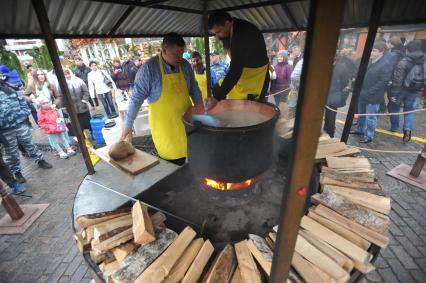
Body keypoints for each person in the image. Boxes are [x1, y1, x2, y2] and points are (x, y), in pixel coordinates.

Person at [121, 33, 202, 166]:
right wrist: (128, 125)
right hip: (166, 131)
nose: (180, 57)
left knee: (193, 163)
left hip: (187, 126)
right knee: (173, 168)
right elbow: (136, 99)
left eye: (182, 53)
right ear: (164, 49)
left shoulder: (185, 65)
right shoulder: (148, 70)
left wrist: (200, 108)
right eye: (176, 54)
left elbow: (194, 88)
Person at [206, 11, 269, 109]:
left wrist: (216, 98)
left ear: (227, 23)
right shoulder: (232, 30)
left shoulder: (242, 33)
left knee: (249, 111)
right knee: (218, 89)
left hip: (256, 78)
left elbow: (235, 70)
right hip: (244, 74)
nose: (218, 36)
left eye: (218, 32)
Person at [0, 77, 52, 184]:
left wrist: (19, 117)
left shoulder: (11, 90)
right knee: (11, 153)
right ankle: (17, 172)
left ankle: (40, 160)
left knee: (29, 144)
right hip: (5, 130)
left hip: (20, 125)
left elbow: (25, 106)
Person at [351, 41, 392, 143]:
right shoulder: (370, 61)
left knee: (370, 117)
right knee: (361, 113)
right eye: (371, 50)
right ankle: (359, 130)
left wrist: (370, 91)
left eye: (374, 51)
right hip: (362, 93)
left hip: (373, 96)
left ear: (381, 52)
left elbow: (383, 81)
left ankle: (369, 136)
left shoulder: (385, 64)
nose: (371, 52)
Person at [388, 40, 426, 142]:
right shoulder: (424, 60)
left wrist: (393, 94)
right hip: (416, 90)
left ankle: (394, 127)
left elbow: (397, 79)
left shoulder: (404, 61)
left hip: (402, 89)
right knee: (409, 111)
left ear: (408, 49)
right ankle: (407, 129)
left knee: (394, 107)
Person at [324, 49, 356, 138]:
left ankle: (330, 133)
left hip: (334, 94)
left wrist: (337, 89)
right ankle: (325, 130)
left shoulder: (341, 67)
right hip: (325, 93)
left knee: (331, 115)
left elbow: (345, 81)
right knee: (326, 115)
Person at [63, 68, 92, 135]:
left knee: (88, 122)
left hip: (83, 107)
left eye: (68, 73)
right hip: (73, 110)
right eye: (65, 75)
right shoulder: (63, 84)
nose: (67, 76)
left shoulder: (79, 81)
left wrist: (84, 101)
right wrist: (65, 108)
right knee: (78, 126)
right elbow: (63, 97)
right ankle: (82, 139)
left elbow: (86, 91)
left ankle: (93, 135)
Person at [382, 36, 405, 113]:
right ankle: (388, 110)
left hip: (392, 78)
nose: (386, 45)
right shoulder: (402, 52)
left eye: (388, 43)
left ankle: (387, 110)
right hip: (399, 78)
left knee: (389, 95)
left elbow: (389, 67)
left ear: (392, 44)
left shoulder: (394, 54)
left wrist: (389, 79)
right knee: (391, 95)